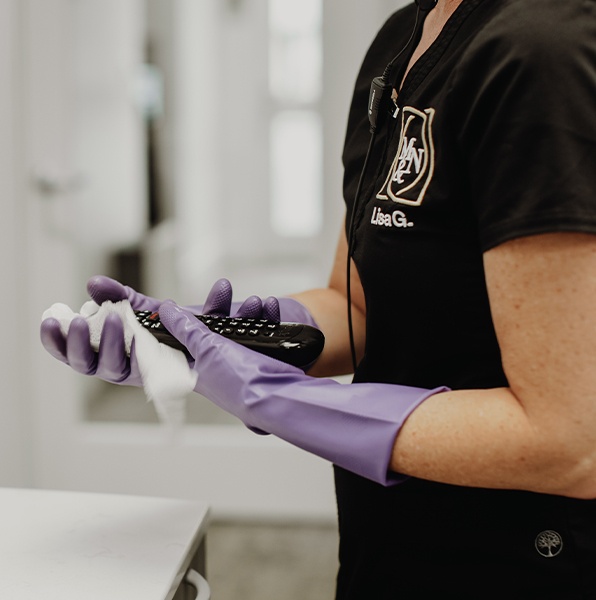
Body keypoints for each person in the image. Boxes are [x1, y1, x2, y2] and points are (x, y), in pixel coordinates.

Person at [41, 0, 596, 597]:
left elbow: (569, 441)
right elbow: (358, 304)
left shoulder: (541, 51)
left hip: (520, 560)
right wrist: (220, 340)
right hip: (392, 534)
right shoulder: (400, 43)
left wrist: (278, 398)